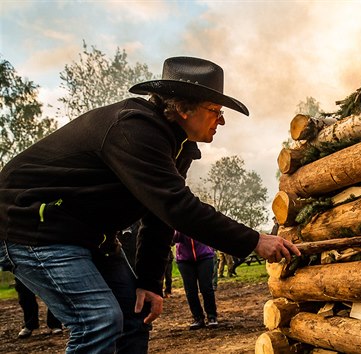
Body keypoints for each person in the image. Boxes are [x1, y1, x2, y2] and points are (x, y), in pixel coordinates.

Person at [0, 56, 300, 353]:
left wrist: (149, 282)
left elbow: (160, 217)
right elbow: (176, 206)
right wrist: (253, 239)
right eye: (214, 110)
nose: (221, 120)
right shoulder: (134, 128)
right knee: (98, 320)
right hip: (36, 227)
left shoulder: (178, 145)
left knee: (135, 316)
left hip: (92, 236)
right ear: (183, 108)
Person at [173, 230, 218, 330]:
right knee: (190, 290)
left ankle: (212, 316)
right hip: (184, 260)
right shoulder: (176, 218)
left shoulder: (199, 216)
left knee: (206, 287)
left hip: (205, 256)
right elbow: (174, 239)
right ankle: (197, 318)